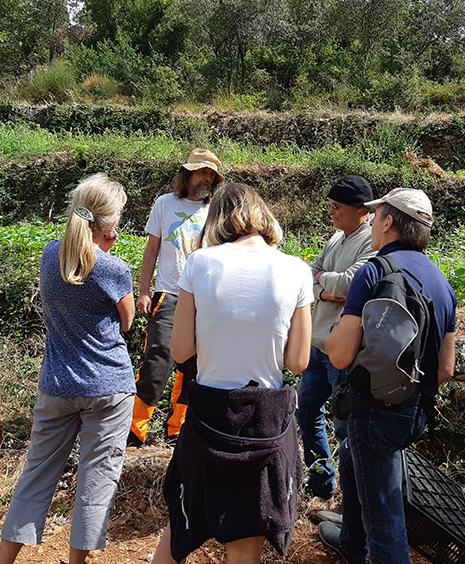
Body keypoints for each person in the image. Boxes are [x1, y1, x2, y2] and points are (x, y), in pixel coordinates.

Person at [152, 183, 313, 564]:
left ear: (217, 219)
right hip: (264, 420)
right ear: (264, 218)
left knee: (183, 520)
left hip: (209, 413)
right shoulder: (296, 269)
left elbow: (179, 351)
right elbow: (298, 362)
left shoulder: (199, 263)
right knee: (246, 533)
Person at [0, 174, 135, 564]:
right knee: (96, 480)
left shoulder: (50, 254)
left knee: (36, 473)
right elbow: (127, 322)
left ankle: (3, 561)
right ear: (109, 225)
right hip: (108, 385)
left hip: (56, 382)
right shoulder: (114, 268)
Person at [320, 188, 456, 564]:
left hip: (372, 412)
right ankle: (350, 541)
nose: (372, 222)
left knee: (385, 518)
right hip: (414, 412)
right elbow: (445, 369)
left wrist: (331, 338)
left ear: (389, 221)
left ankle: (373, 550)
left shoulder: (375, 271)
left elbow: (342, 352)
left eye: (376, 215)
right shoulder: (442, 282)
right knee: (353, 464)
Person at [129, 148, 224, 446]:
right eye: (202, 171)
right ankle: (134, 429)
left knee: (192, 367)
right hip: (168, 294)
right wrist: (144, 291)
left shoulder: (218, 209)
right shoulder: (165, 204)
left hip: (205, 299)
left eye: (211, 174)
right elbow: (152, 250)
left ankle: (178, 429)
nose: (207, 177)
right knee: (156, 362)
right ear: (187, 174)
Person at [296, 175, 376, 503]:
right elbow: (310, 274)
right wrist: (324, 287)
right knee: (305, 412)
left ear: (361, 209)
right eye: (329, 206)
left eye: (336, 206)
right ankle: (322, 483)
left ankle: (351, 502)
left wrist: (323, 284)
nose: (331, 212)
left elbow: (348, 285)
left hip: (344, 351)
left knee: (345, 426)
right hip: (318, 346)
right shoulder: (336, 237)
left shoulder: (371, 241)